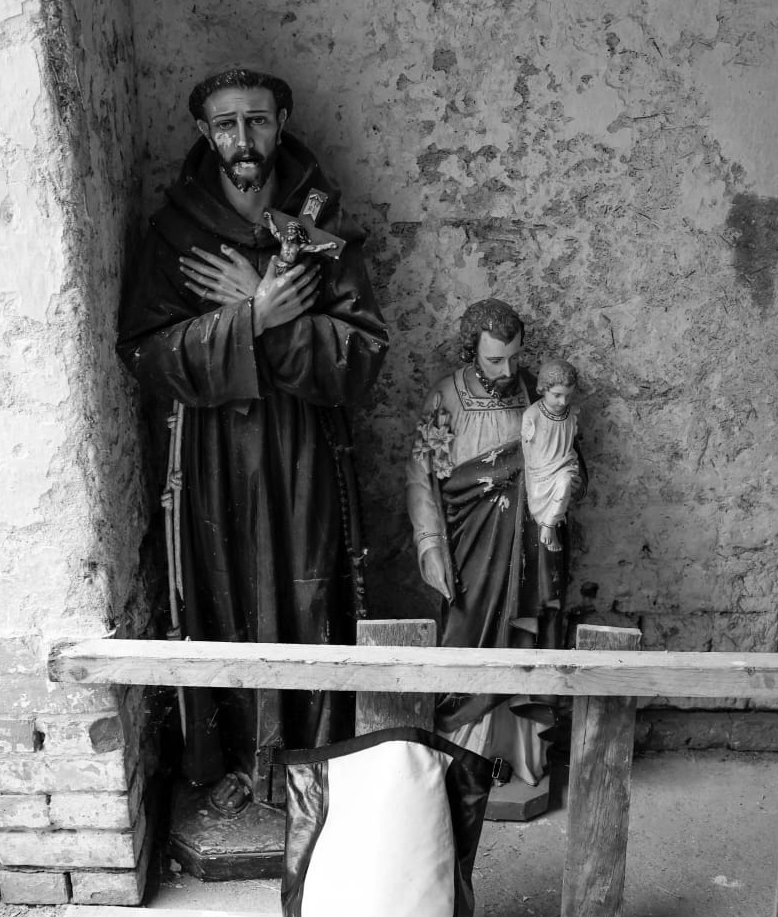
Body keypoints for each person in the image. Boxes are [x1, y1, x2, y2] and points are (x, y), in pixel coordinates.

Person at [118, 65, 388, 816]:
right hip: (214, 453)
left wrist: (275, 319)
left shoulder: (321, 228)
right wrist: (253, 316)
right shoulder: (175, 234)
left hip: (304, 445)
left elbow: (363, 355)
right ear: (205, 133)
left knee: (309, 586)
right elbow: (146, 353)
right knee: (226, 591)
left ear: (282, 123)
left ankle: (314, 759)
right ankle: (242, 759)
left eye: (258, 120)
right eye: (227, 123)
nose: (244, 138)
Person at [406, 299, 585, 788]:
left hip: (530, 549)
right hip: (471, 548)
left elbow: (566, 455)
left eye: (515, 357)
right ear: (472, 352)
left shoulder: (536, 392)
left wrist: (564, 486)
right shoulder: (446, 397)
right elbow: (422, 476)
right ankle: (463, 757)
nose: (508, 371)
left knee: (524, 640)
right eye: (494, 360)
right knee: (467, 637)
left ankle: (516, 753)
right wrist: (430, 543)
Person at [521, 358, 581, 554]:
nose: (563, 402)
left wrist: (573, 467)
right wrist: (540, 472)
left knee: (565, 482)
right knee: (559, 487)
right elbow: (528, 452)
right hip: (540, 472)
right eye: (557, 395)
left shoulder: (571, 413)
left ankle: (549, 526)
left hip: (564, 465)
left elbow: (570, 446)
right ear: (543, 389)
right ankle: (548, 525)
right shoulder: (533, 416)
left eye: (568, 396)